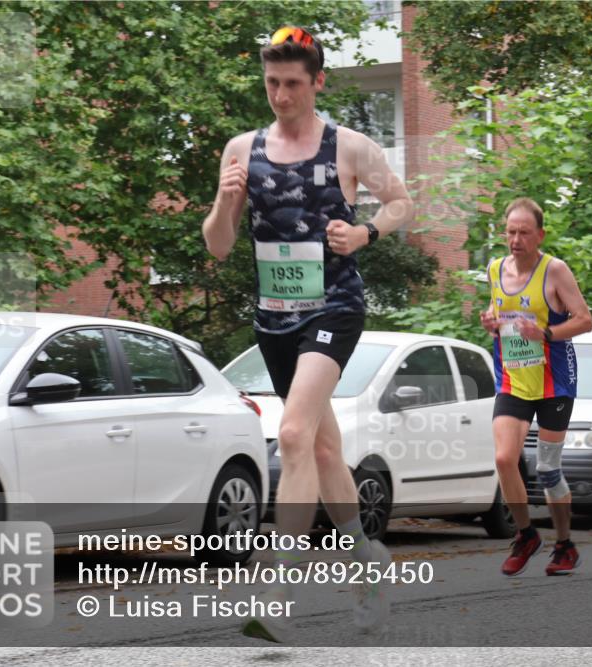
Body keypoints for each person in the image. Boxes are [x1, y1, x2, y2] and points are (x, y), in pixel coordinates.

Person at [202, 26, 414, 642]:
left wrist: (365, 233)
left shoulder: (349, 146)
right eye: (272, 83)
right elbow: (219, 247)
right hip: (274, 318)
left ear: (317, 81)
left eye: (293, 83)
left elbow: (401, 202)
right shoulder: (241, 150)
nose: (281, 95)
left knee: (292, 434)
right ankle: (368, 563)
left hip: (334, 308)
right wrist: (224, 203)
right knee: (321, 452)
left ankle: (277, 591)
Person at [480, 197, 592, 576]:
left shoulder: (554, 271)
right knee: (503, 458)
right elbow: (500, 315)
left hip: (554, 382)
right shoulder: (494, 270)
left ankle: (564, 544)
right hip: (513, 378)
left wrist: (543, 333)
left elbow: (584, 320)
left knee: (547, 469)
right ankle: (526, 534)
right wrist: (491, 323)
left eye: (524, 233)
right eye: (510, 232)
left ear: (540, 235)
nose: (516, 240)